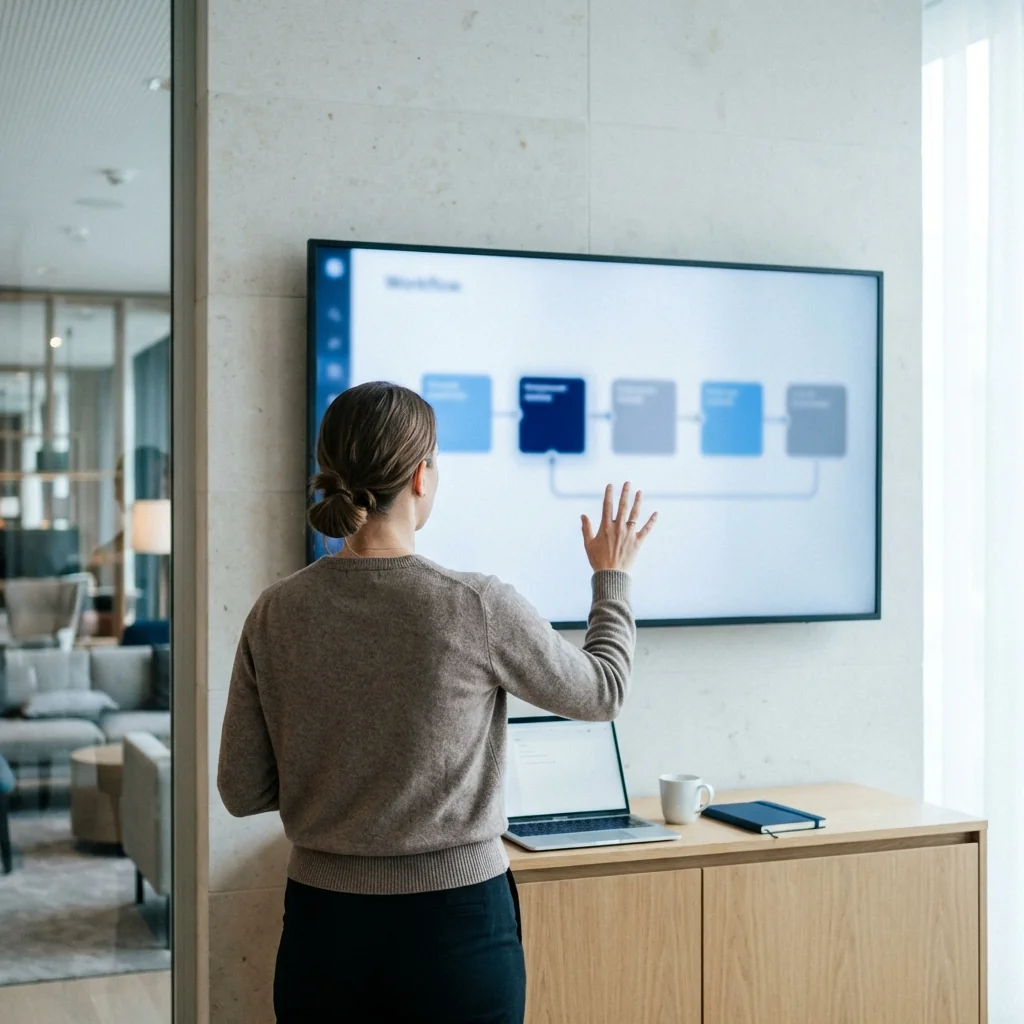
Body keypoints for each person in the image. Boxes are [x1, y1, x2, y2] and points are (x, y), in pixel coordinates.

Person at [217, 381, 657, 1024]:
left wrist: (336, 771)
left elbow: (240, 789)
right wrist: (611, 577)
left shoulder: (276, 613)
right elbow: (603, 690)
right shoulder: (474, 605)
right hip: (457, 934)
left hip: (323, 932)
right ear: (422, 476)